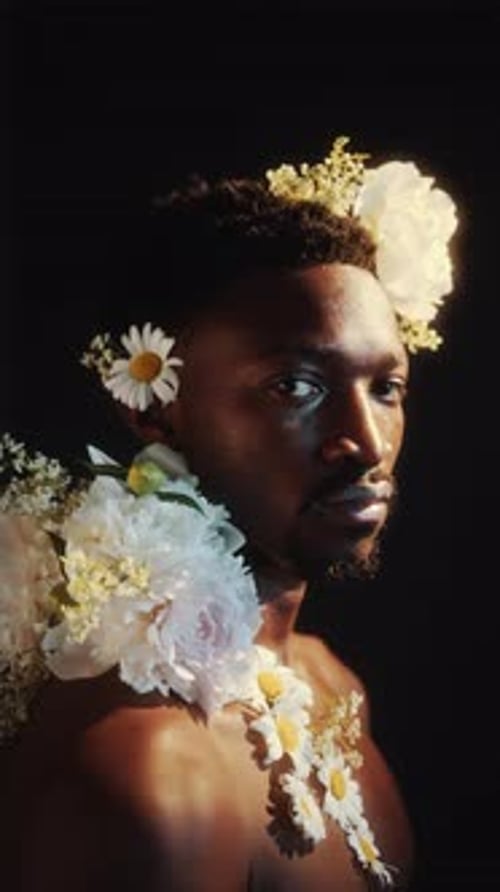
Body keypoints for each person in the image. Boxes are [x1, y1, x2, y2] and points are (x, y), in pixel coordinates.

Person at [0, 137, 458, 890]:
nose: (367, 444)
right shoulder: (154, 778)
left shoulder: (333, 687)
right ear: (153, 409)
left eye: (386, 387)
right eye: (297, 388)